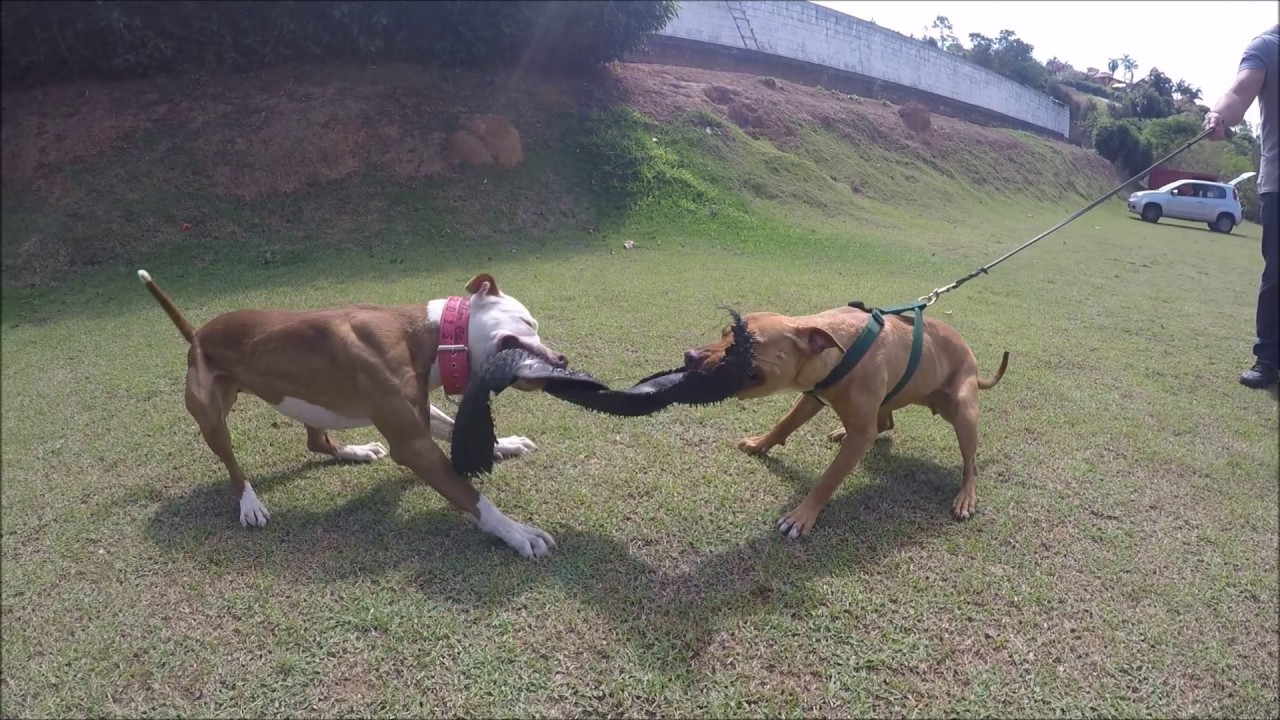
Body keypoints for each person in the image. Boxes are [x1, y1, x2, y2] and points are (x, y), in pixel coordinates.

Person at [1204, 24, 1279, 389]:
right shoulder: (1268, 46)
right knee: (1278, 275)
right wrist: (1219, 115)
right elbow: (1239, 92)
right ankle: (1268, 360)